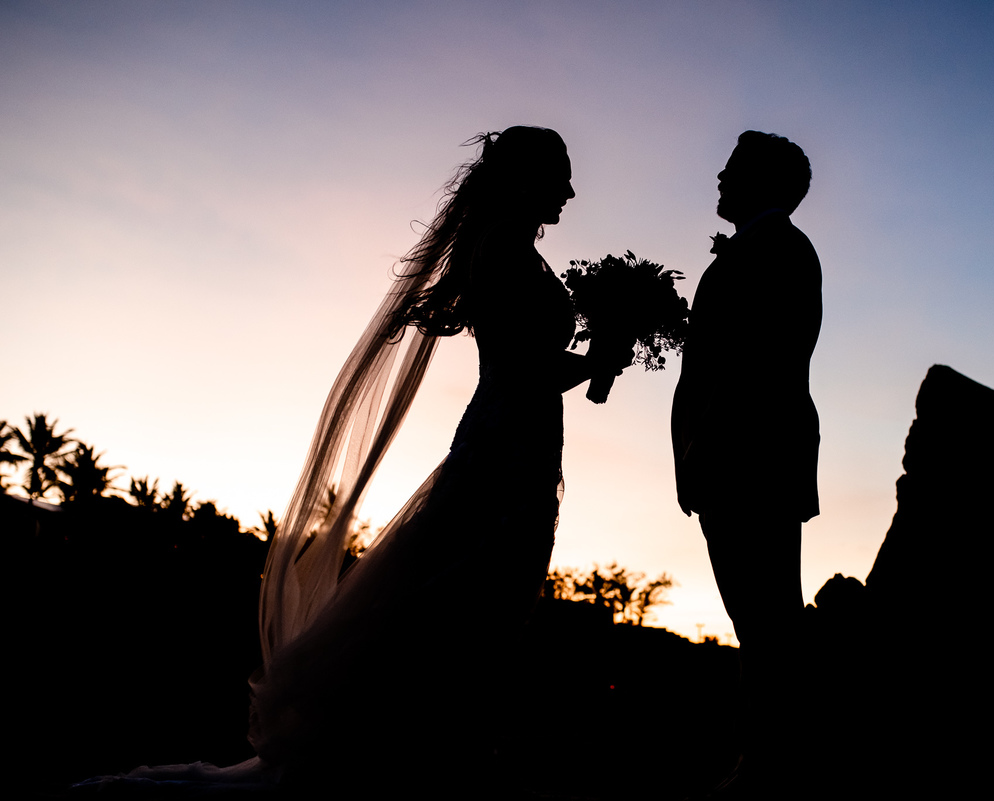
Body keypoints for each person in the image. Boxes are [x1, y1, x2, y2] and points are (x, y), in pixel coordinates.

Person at [75, 126, 629, 798]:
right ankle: (427, 764)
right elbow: (522, 366)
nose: (571, 190)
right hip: (503, 450)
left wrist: (598, 363)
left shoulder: (520, 250)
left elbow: (534, 365)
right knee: (474, 603)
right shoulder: (505, 246)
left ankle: (435, 757)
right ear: (525, 177)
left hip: (525, 443)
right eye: (560, 175)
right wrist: (593, 361)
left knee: (480, 602)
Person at [670, 130, 821, 792]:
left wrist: (704, 443)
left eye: (732, 170)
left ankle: (772, 766)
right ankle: (765, 758)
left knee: (767, 619)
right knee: (754, 617)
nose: (720, 179)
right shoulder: (748, 252)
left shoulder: (782, 249)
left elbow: (762, 357)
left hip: (752, 457)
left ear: (764, 181)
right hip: (726, 458)